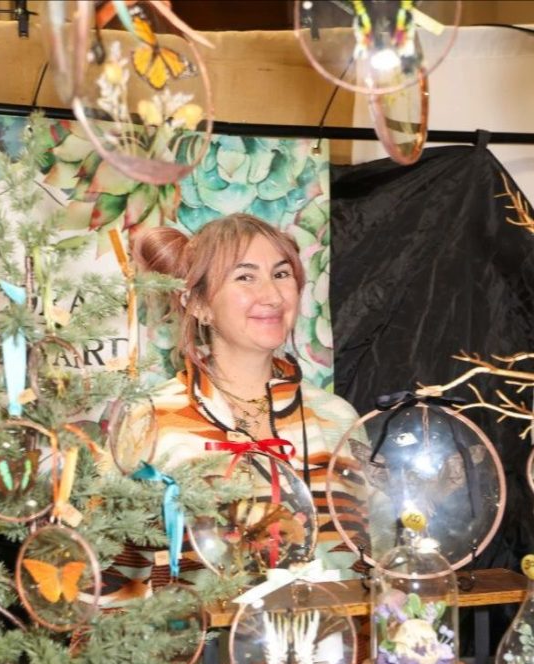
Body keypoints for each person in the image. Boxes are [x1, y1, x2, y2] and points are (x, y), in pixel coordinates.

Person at [107, 213, 363, 591]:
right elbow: (114, 578)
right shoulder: (152, 420)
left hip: (329, 626)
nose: (273, 295)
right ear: (198, 303)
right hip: (199, 629)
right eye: (245, 277)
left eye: (281, 274)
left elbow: (371, 562)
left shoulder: (336, 418)